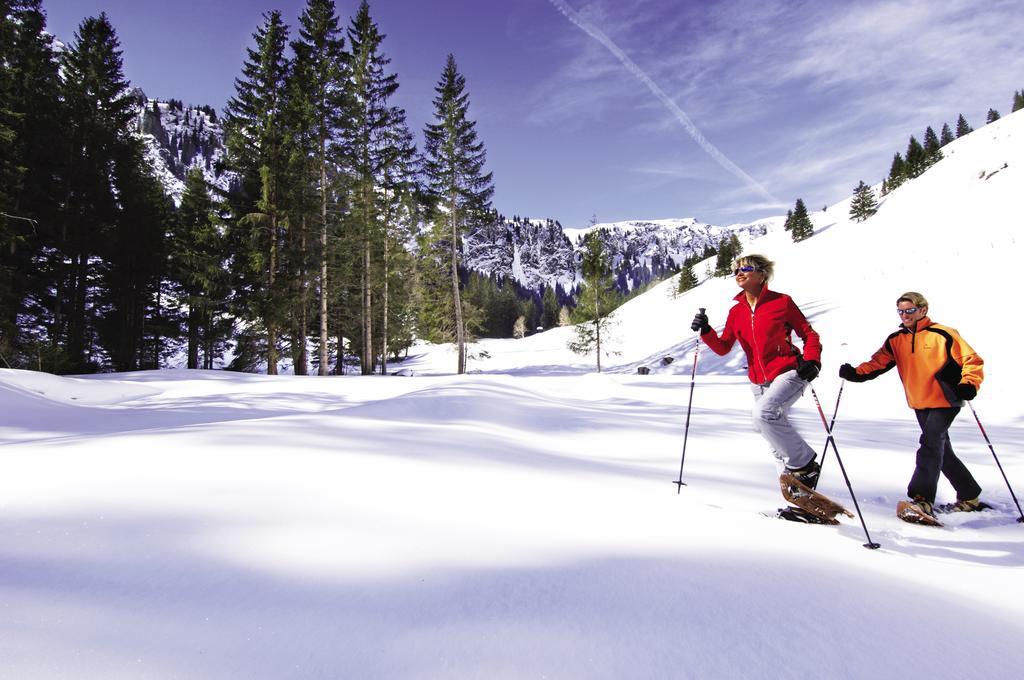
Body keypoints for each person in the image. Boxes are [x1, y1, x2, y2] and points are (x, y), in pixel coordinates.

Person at [839, 291, 987, 523]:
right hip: (919, 401)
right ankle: (970, 496)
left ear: (922, 310)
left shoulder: (943, 334)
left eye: (909, 310)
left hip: (946, 399)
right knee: (941, 450)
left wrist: (969, 384)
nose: (905, 315)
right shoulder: (896, 339)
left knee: (929, 444)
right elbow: (878, 362)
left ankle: (922, 499)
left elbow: (972, 360)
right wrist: (856, 373)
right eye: (901, 311)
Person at [692, 254, 823, 493]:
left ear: (762, 274)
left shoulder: (782, 302)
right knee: (770, 434)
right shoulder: (736, 312)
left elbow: (809, 334)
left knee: (764, 414)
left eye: (746, 268)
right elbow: (723, 348)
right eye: (736, 271)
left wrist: (812, 360)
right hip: (758, 381)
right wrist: (706, 330)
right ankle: (797, 494)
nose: (739, 274)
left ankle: (805, 463)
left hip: (788, 371)